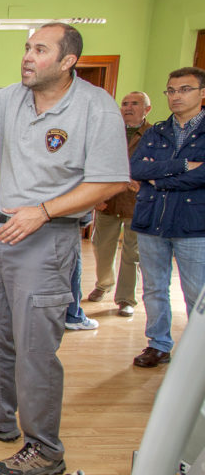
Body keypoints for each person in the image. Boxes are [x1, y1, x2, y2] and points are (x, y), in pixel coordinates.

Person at [0, 23, 128, 475]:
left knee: (34, 349)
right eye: (27, 48)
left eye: (40, 49)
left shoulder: (95, 109)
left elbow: (110, 181)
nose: (27, 56)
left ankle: (44, 448)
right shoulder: (11, 98)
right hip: (2, 233)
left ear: (67, 62)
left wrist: (42, 212)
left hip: (48, 237)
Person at [129, 67, 205, 368]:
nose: (176, 96)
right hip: (152, 221)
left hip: (193, 224)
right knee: (154, 287)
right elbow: (137, 169)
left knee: (196, 292)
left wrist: (160, 177)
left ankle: (197, 351)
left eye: (184, 89)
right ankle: (158, 344)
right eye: (171, 90)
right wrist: (187, 166)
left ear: (202, 93)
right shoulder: (156, 131)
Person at [88, 91, 151, 317]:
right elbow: (94, 163)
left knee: (132, 253)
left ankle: (126, 299)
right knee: (101, 246)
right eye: (125, 103)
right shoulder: (109, 132)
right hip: (108, 201)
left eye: (135, 103)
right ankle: (104, 284)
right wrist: (95, 196)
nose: (128, 107)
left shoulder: (153, 134)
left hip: (137, 203)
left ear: (146, 109)